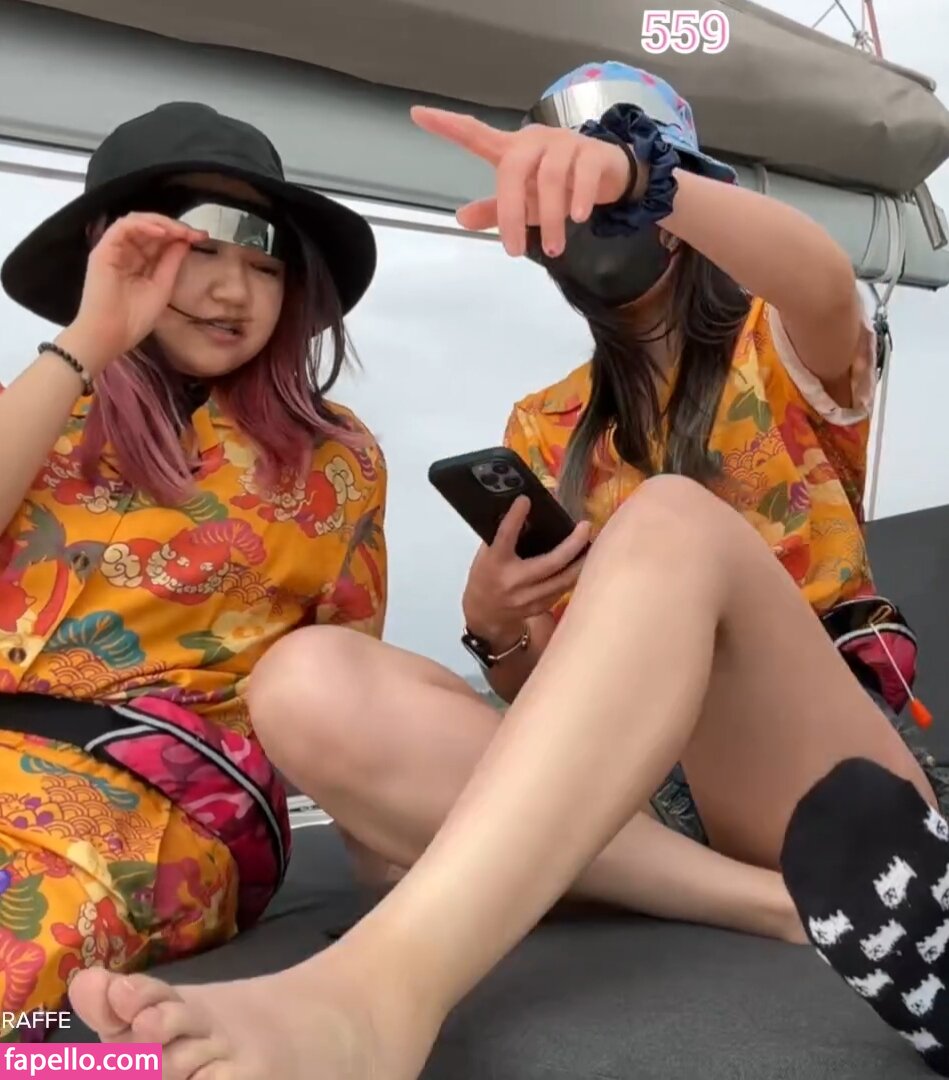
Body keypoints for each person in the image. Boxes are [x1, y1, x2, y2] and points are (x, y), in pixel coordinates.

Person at [70, 65, 949, 1079]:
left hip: (814, 778)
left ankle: (379, 992)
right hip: (644, 810)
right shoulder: (547, 424)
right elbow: (564, 699)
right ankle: (768, 905)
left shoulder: (780, 343)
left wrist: (645, 176)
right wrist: (498, 630)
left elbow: (822, 280)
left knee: (670, 520)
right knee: (304, 678)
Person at [0, 101, 386, 1044]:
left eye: (266, 265)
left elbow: (348, 692)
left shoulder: (334, 461)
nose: (233, 291)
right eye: (195, 253)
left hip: (151, 804)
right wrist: (87, 340)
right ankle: (116, 1067)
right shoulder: (32, 410)